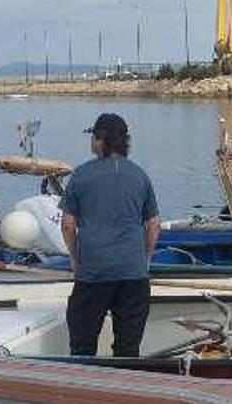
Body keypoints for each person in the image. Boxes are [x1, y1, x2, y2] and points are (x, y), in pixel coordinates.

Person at [59, 113, 162, 357]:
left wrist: (74, 257)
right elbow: (154, 224)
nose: (91, 142)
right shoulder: (140, 175)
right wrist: (145, 259)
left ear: (100, 139)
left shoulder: (81, 175)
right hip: (133, 274)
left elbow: (67, 224)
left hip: (93, 273)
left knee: (82, 347)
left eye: (92, 136)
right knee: (128, 349)